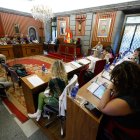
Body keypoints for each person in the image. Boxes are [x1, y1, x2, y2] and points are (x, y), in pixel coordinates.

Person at [96, 61, 140, 139]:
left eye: (116, 79)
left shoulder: (128, 101)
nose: (115, 81)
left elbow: (102, 107)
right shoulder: (134, 89)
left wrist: (110, 87)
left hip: (119, 132)